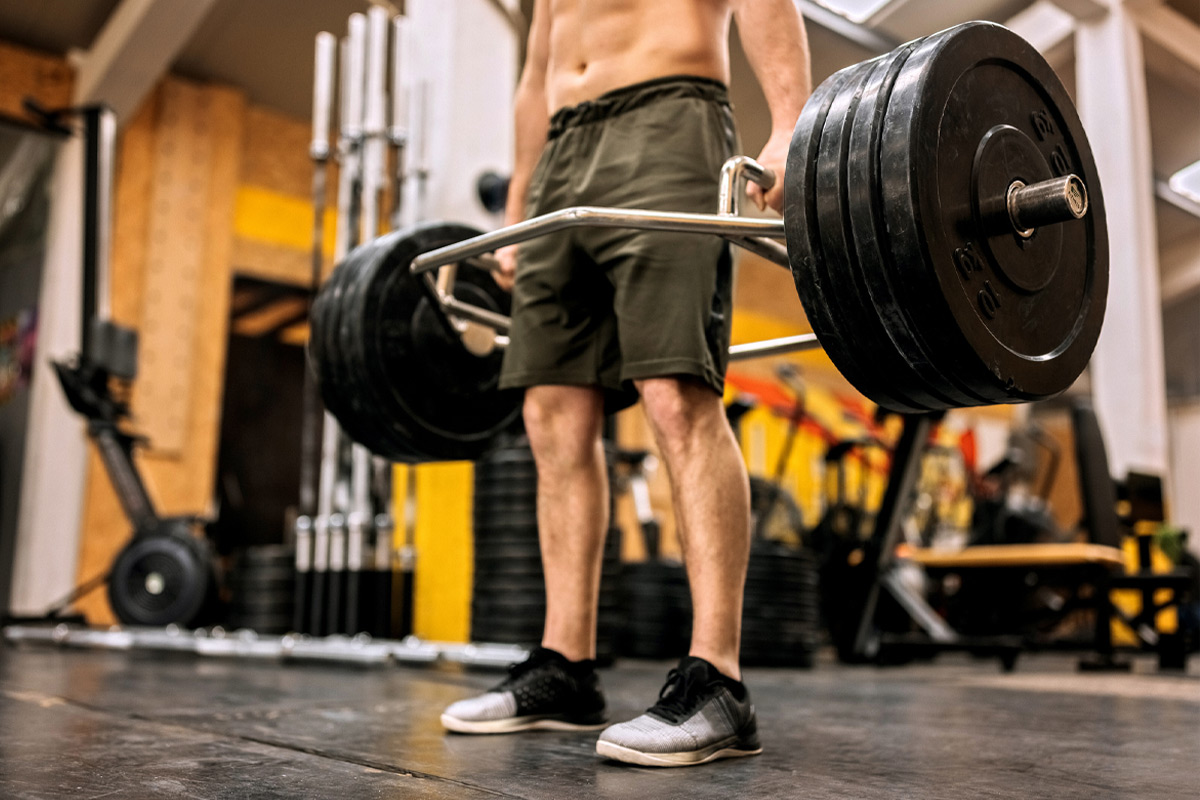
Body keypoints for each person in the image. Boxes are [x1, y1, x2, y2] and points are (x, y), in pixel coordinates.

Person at [441, 0, 811, 767]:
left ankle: (718, 681)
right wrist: (518, 202)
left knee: (675, 394)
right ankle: (564, 668)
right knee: (550, 413)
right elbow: (538, 66)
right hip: (562, 153)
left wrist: (788, 123)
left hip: (669, 116)